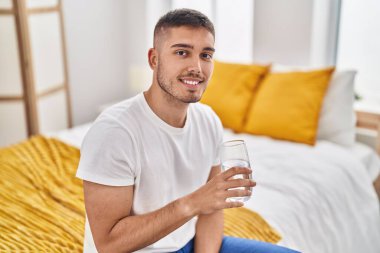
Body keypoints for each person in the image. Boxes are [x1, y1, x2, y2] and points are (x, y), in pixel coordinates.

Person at [76, 8, 300, 253]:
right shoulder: (114, 132)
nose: (197, 67)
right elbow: (108, 244)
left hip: (191, 244)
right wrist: (192, 204)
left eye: (206, 55)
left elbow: (211, 208)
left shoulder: (209, 121)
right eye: (182, 52)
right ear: (154, 59)